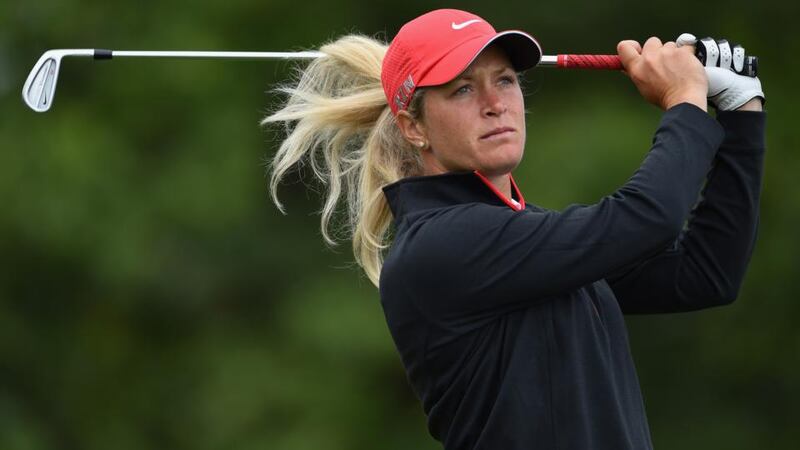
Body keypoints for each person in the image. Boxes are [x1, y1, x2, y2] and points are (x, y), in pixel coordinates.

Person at [262, 8, 766, 450]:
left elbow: (704, 273)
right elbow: (648, 218)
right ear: (414, 127)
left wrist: (742, 113)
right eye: (462, 88)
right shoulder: (444, 244)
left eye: (503, 79)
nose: (494, 102)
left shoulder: (526, 237)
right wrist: (683, 100)